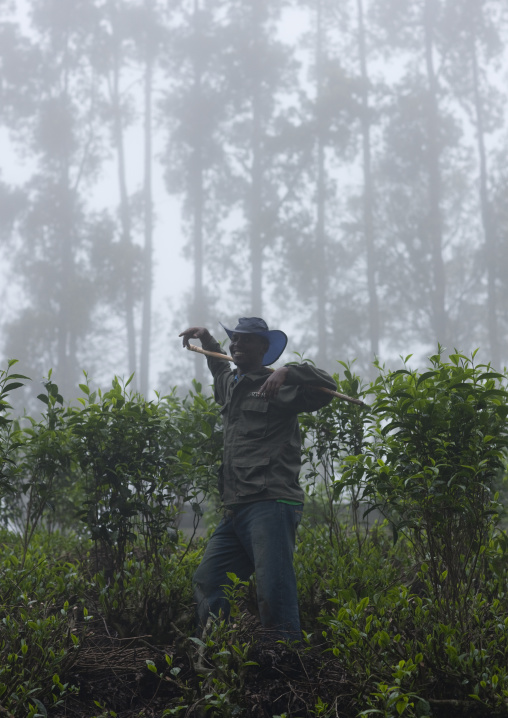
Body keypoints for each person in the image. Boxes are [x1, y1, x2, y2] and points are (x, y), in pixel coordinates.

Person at [179, 317, 336, 641]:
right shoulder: (230, 385)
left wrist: (288, 371)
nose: (237, 345)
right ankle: (214, 653)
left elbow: (327, 386)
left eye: (246, 340)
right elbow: (217, 368)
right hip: (236, 506)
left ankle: (286, 663)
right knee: (209, 579)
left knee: (273, 587)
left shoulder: (280, 386)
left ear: (264, 348)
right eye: (234, 340)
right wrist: (208, 339)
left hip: (271, 503)